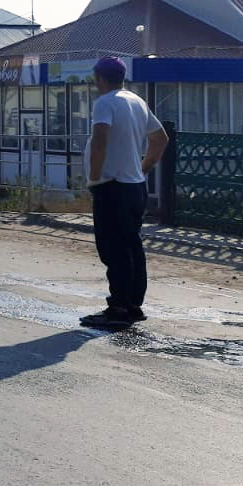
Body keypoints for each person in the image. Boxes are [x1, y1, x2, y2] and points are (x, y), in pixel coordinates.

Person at [79, 56, 169, 330]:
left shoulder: (105, 103)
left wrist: (95, 177)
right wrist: (145, 166)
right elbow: (160, 137)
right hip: (134, 186)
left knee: (113, 247)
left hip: (112, 185)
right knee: (131, 245)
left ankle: (118, 307)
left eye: (95, 78)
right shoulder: (136, 101)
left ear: (100, 78)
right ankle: (132, 304)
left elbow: (100, 140)